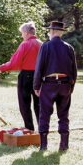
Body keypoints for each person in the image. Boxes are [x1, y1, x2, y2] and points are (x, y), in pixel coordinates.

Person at [33, 21, 77, 151]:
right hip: (65, 85)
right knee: (64, 115)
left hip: (49, 84)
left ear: (52, 32)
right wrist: (71, 87)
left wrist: (36, 86)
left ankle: (43, 145)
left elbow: (39, 67)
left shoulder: (46, 46)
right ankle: (64, 145)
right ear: (61, 33)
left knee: (44, 114)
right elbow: (74, 71)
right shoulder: (69, 48)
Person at [0, 22, 43, 131]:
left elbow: (14, 63)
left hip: (26, 76)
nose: (22, 36)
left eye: (22, 33)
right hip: (39, 76)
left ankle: (29, 128)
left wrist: (1, 68)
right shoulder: (41, 44)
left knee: (24, 104)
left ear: (26, 33)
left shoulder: (25, 44)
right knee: (39, 104)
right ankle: (42, 129)